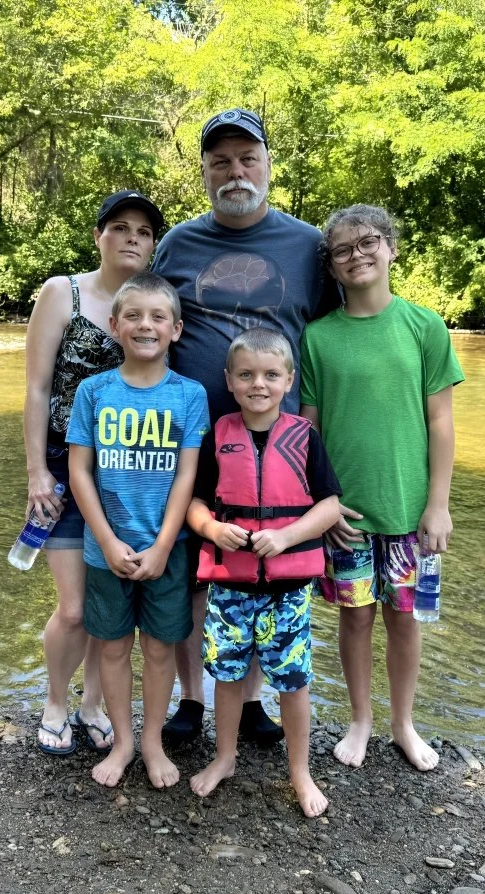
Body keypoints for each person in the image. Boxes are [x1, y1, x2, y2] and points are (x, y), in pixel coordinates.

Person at [151, 108, 339, 748]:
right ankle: (191, 698)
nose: (236, 172)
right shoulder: (178, 244)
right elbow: (150, 320)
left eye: (247, 159)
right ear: (206, 172)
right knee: (192, 569)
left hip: (276, 443)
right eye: (221, 162)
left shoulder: (307, 246)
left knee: (263, 567)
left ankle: (253, 700)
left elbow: (330, 338)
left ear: (267, 166)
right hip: (191, 438)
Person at [300, 204, 464, 770]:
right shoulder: (317, 338)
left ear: (391, 247)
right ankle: (360, 721)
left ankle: (403, 723)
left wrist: (438, 505)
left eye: (368, 242)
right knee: (354, 617)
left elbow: (441, 422)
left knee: (405, 618)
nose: (357, 256)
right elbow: (309, 433)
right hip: (346, 514)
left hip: (410, 512)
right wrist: (321, 506)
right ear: (332, 267)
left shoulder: (425, 327)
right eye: (342, 250)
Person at [23, 190, 165, 756]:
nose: (132, 238)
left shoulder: (153, 305)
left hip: (128, 473)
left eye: (144, 232)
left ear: (153, 246)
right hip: (63, 466)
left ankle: (92, 705)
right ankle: (56, 702)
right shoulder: (64, 293)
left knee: (111, 605)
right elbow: (37, 388)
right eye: (120, 227)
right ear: (99, 236)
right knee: (75, 606)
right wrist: (36, 470)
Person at [186, 328, 342, 817]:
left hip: (288, 591)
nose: (259, 384)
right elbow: (195, 504)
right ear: (229, 380)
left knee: (293, 681)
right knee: (227, 675)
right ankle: (225, 757)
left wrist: (287, 537)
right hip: (229, 589)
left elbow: (330, 506)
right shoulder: (218, 435)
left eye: (271, 375)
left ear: (288, 381)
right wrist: (213, 529)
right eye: (247, 375)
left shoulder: (304, 437)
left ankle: (300, 772)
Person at [66, 272, 209, 788]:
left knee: (160, 648)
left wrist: (165, 544)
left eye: (157, 317)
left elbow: (187, 476)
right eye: (133, 316)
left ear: (176, 329)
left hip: (167, 550)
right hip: (105, 550)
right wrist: (106, 540)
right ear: (114, 325)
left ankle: (152, 741)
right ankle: (123, 741)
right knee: (111, 647)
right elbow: (79, 471)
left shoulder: (190, 395)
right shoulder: (93, 391)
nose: (145, 325)